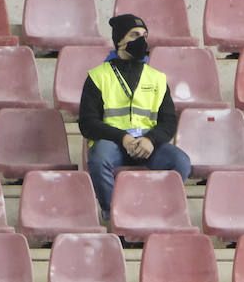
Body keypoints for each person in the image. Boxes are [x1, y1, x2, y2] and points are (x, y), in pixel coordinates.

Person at [80, 13, 192, 219]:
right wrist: (123, 137)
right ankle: (114, 214)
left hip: (147, 144)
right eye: (134, 35)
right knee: (98, 157)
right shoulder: (98, 76)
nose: (141, 40)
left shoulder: (157, 78)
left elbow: (168, 121)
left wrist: (150, 140)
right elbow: (88, 124)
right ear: (120, 40)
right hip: (113, 143)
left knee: (181, 162)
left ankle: (156, 214)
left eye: (144, 35)